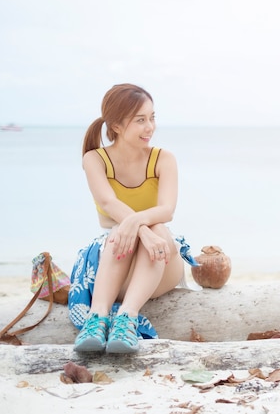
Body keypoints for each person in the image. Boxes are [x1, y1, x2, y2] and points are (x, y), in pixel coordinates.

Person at [68, 83, 200, 353]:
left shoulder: (164, 159)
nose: (150, 127)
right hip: (116, 262)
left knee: (159, 227)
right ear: (116, 125)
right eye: (140, 120)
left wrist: (135, 224)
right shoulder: (95, 159)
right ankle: (98, 318)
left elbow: (167, 210)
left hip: (161, 262)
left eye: (152, 118)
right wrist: (138, 229)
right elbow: (108, 202)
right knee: (123, 231)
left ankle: (127, 319)